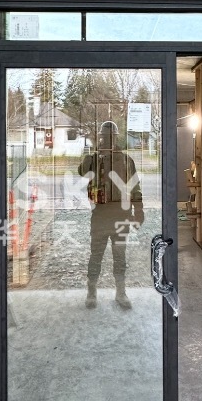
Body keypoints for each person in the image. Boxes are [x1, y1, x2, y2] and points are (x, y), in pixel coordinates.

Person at [78, 120, 144, 309]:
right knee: (96, 255)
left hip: (121, 215)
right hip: (100, 215)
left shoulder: (126, 160)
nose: (107, 139)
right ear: (101, 137)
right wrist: (93, 154)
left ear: (115, 137)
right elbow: (82, 172)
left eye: (110, 136)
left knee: (120, 256)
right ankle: (91, 291)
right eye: (104, 136)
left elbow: (135, 187)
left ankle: (121, 292)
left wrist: (139, 210)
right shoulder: (94, 159)